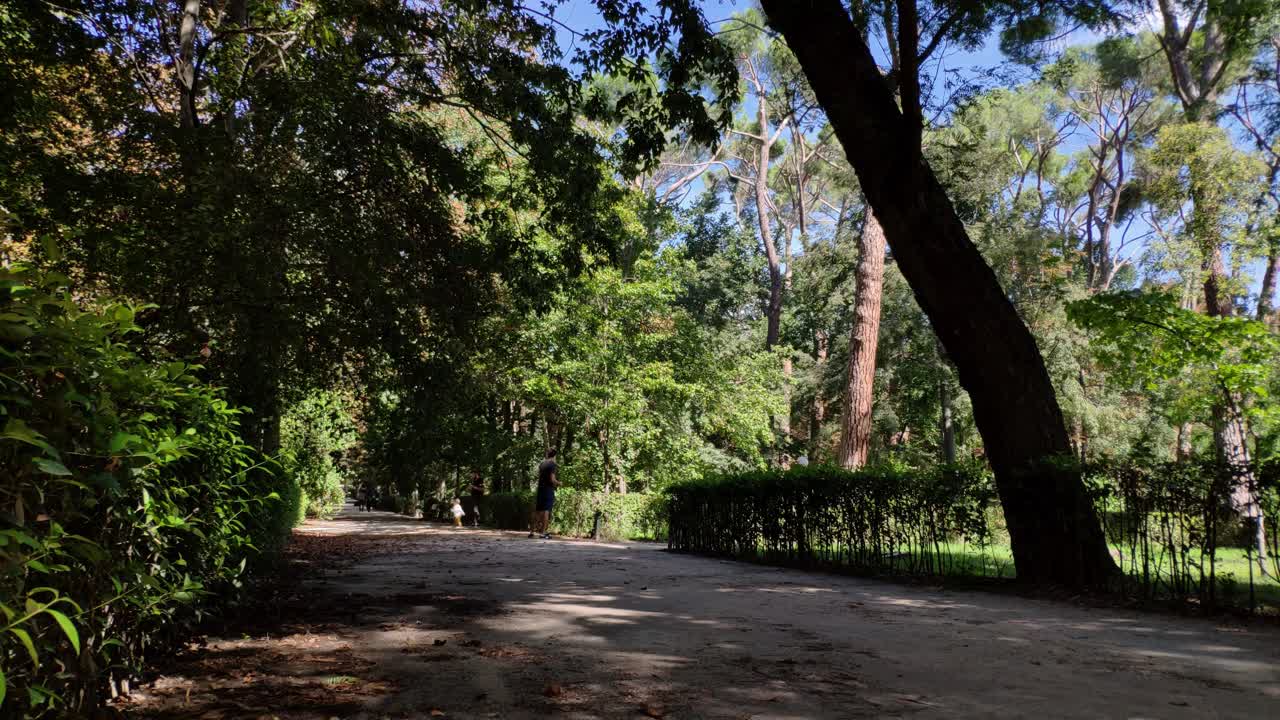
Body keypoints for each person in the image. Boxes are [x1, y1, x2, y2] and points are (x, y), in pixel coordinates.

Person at [529, 449, 559, 539]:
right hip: (548, 489)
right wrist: (559, 483)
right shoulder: (552, 465)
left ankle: (532, 532)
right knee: (546, 510)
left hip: (540, 489)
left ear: (547, 455)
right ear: (554, 456)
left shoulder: (542, 464)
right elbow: (552, 479)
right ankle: (543, 533)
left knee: (537, 511)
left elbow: (539, 476)